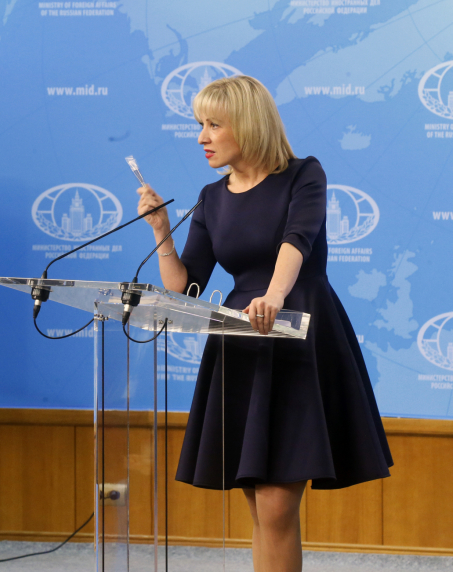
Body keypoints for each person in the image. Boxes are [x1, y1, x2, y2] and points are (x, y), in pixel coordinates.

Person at [136, 75, 393, 572]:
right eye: (200, 125)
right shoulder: (211, 197)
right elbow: (186, 287)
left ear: (248, 124)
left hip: (299, 334)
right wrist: (162, 232)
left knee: (275, 506)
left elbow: (297, 241)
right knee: (261, 505)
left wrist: (274, 297)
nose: (201, 137)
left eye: (213, 125)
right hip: (241, 343)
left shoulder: (303, 174)